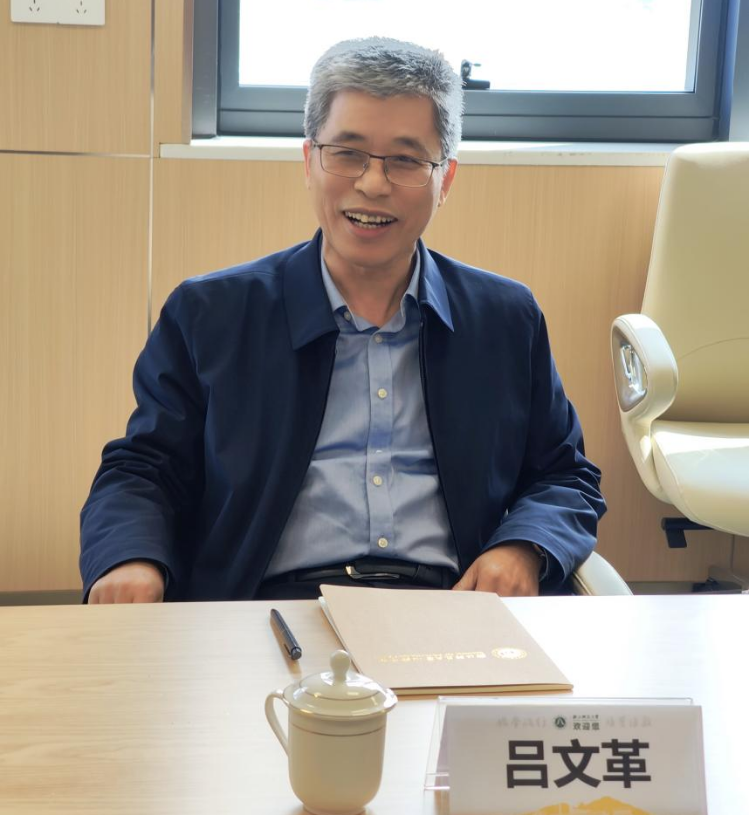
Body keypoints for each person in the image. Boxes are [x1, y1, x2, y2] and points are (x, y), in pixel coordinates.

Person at [80, 37, 605, 604]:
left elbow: (564, 474)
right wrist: (131, 558)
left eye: (406, 160)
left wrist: (523, 547)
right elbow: (144, 469)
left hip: (451, 605)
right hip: (267, 609)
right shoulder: (210, 314)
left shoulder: (504, 319)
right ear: (309, 161)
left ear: (445, 180)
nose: (373, 184)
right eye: (347, 153)